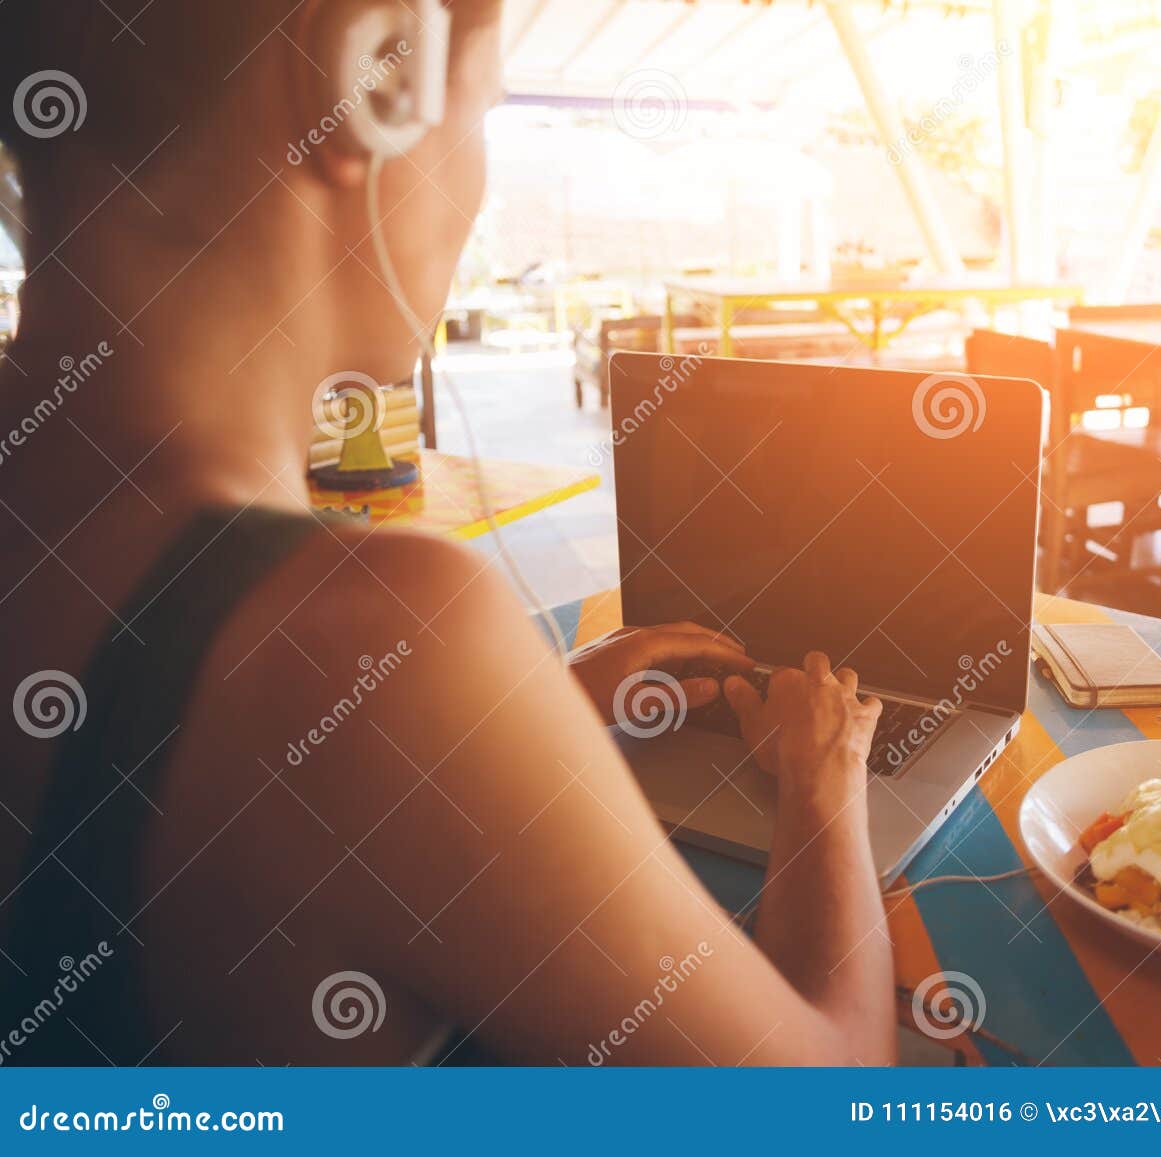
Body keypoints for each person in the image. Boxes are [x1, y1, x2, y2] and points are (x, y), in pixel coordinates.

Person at [0, 0, 894, 1065]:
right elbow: (831, 1095)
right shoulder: (371, 635)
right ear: (364, 74)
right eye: (484, 112)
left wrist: (516, 725)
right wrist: (825, 782)